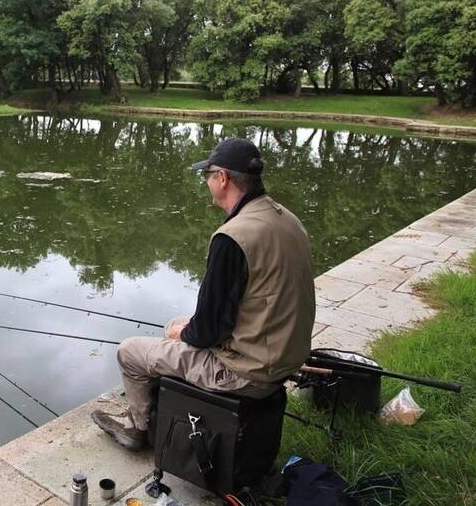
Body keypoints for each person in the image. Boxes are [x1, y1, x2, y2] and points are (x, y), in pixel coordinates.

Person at [91, 138, 316, 451]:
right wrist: (184, 329)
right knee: (175, 326)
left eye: (208, 175)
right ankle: (168, 405)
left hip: (246, 373)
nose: (207, 183)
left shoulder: (232, 238)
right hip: (285, 357)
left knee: (131, 351)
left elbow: (208, 331)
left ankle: (137, 427)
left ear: (222, 178)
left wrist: (182, 332)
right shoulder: (287, 219)